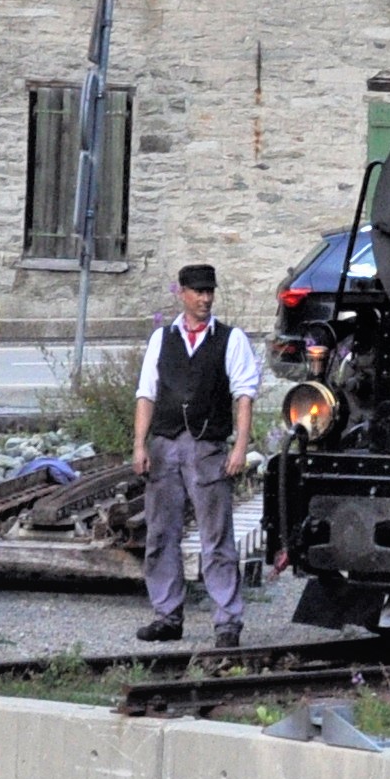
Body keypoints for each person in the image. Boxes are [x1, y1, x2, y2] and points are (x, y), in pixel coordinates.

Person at [128, 264, 257, 649]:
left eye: (209, 292)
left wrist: (240, 447)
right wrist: (139, 444)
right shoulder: (162, 339)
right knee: (160, 533)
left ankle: (227, 620)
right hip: (164, 444)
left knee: (217, 537)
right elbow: (146, 393)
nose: (205, 299)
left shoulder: (230, 340)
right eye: (198, 292)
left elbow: (244, 395)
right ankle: (167, 615)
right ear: (181, 293)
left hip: (207, 447)